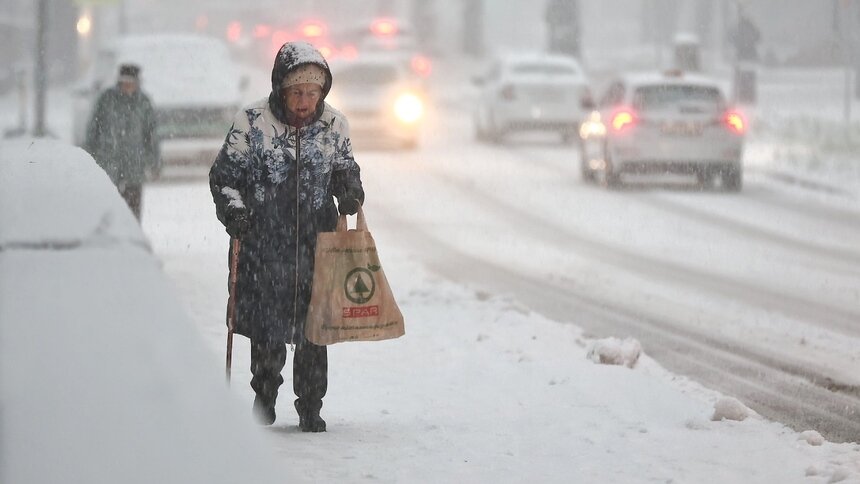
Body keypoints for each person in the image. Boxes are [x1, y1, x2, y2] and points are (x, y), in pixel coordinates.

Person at [209, 41, 364, 431]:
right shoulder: (252, 122)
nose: (304, 101)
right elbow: (225, 178)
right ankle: (264, 399)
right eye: (297, 92)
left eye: (312, 93)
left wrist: (349, 192)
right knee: (267, 330)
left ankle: (311, 406)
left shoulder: (335, 125)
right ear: (280, 87)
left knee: (315, 331)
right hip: (264, 244)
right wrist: (235, 211)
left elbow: (346, 169)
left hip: (317, 246)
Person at [84, 63, 160, 221]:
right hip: (108, 168)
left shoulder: (143, 103)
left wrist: (154, 162)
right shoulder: (106, 100)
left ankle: (132, 241)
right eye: (124, 82)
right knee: (108, 214)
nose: (127, 86)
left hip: (134, 169)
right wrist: (90, 157)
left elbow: (151, 135)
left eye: (131, 83)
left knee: (132, 214)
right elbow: (93, 130)